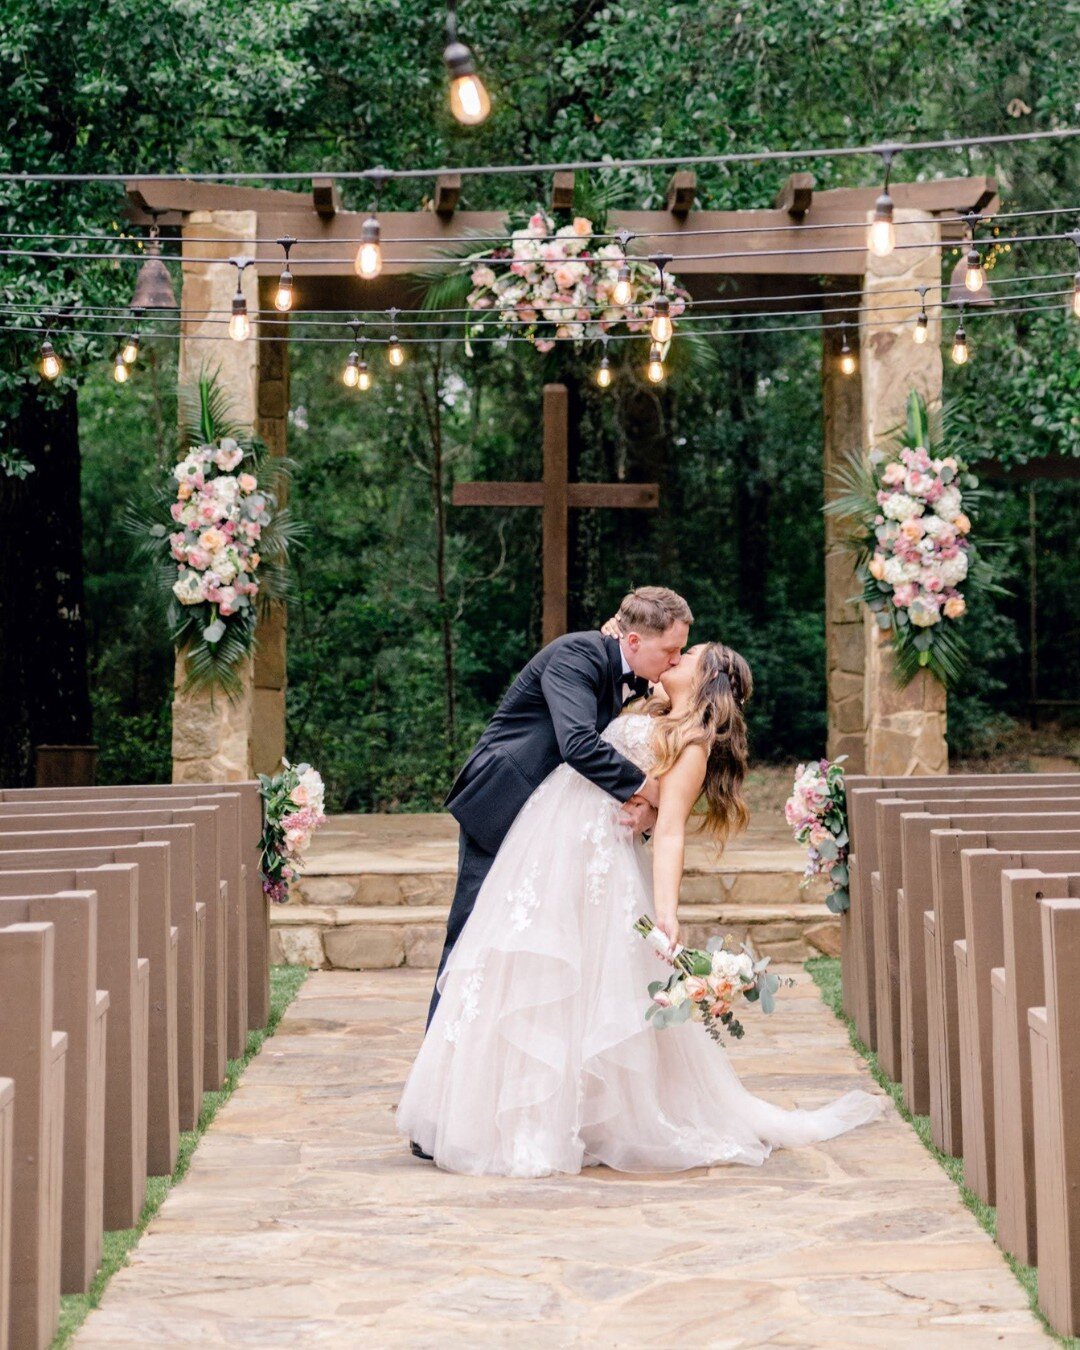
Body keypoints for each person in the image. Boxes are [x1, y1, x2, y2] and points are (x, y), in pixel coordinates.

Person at [397, 637, 883, 1176]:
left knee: (578, 987)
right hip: (546, 855)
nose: (674, 659)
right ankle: (488, 1113)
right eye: (674, 650)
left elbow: (671, 830)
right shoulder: (641, 706)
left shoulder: (692, 743)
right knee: (519, 977)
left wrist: (667, 911)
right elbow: (613, 678)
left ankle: (570, 1119)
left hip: (598, 869)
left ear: (706, 679)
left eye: (687, 656)